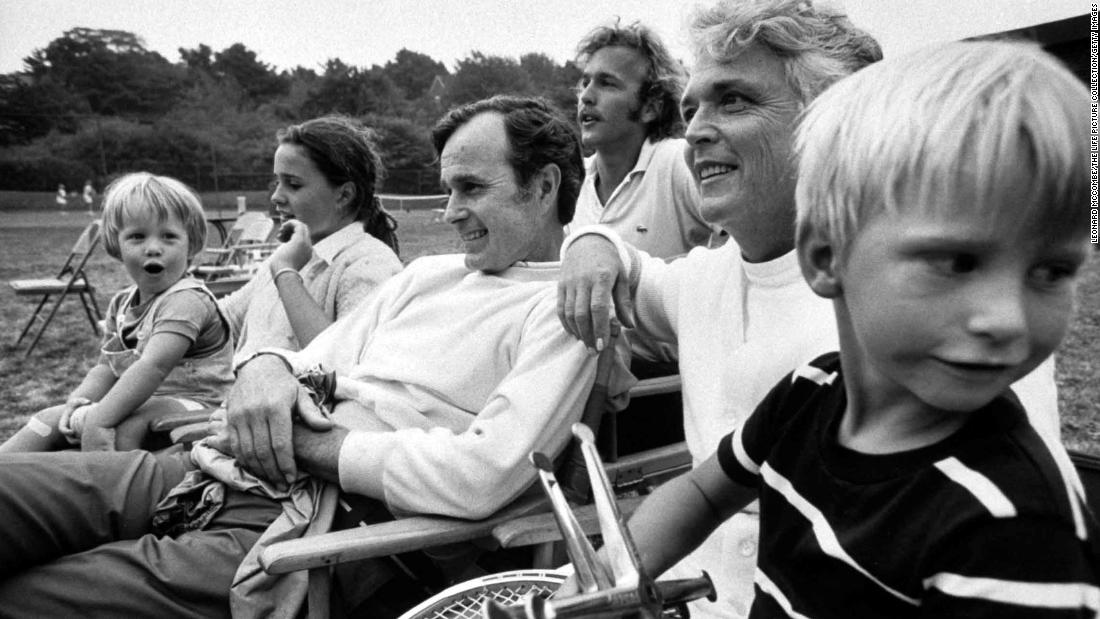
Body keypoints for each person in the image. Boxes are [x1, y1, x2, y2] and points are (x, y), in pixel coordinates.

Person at [0, 95, 630, 618]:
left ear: (544, 186)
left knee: (30, 600)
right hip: (209, 468)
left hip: (316, 527)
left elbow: (481, 476)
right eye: (447, 189)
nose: (450, 211)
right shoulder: (431, 274)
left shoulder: (563, 309)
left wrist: (304, 444)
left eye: (471, 188)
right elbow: (311, 355)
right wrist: (264, 368)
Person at [581, 40, 1099, 618]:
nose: (1008, 319)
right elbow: (701, 493)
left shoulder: (1017, 527)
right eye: (957, 263)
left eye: (1052, 272)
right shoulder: (810, 393)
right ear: (827, 260)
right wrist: (606, 582)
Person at [557, 3, 881, 615]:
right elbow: (634, 270)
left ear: (840, 121)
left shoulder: (921, 307)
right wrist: (592, 241)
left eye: (733, 101)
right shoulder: (703, 280)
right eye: (691, 109)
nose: (695, 132)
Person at [0, 172, 235, 453]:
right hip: (140, 402)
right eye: (137, 236)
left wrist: (98, 421)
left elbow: (153, 367)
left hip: (199, 405)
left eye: (169, 236)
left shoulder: (186, 300)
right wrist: (81, 398)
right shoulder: (122, 303)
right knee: (47, 421)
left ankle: (105, 489)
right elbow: (106, 366)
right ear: (117, 245)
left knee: (123, 429)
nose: (153, 248)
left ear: (191, 245)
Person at [219, 115, 403, 366]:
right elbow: (223, 321)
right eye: (277, 182)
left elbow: (343, 364)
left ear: (344, 195)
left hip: (301, 405)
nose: (276, 197)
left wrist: (285, 274)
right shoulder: (289, 255)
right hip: (239, 398)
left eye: (293, 185)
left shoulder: (369, 264)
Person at [568, 19, 714, 262]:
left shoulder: (677, 161)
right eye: (585, 82)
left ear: (651, 106)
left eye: (607, 83)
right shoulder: (573, 179)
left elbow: (744, 236)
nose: (586, 96)